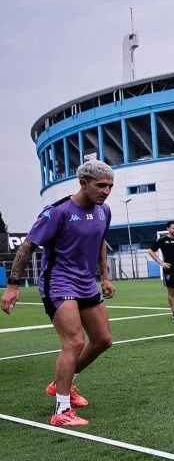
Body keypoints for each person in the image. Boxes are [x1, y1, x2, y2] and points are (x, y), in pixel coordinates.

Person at [1, 159, 116, 427]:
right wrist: (13, 285)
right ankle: (62, 411)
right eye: (101, 185)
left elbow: (100, 242)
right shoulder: (57, 212)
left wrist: (106, 277)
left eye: (110, 186)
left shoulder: (104, 211)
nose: (106, 191)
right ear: (83, 183)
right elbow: (27, 247)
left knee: (102, 340)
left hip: (87, 283)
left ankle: (61, 383)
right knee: (75, 342)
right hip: (59, 283)